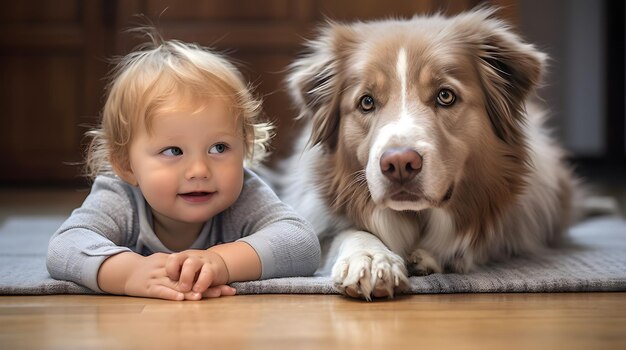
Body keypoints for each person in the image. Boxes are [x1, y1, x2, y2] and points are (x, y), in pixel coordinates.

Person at [46, 30, 320, 301]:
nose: (199, 170)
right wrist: (130, 273)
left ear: (245, 147)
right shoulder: (120, 197)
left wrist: (221, 262)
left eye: (219, 148)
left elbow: (302, 243)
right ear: (126, 165)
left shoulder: (244, 194)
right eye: (173, 151)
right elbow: (65, 247)